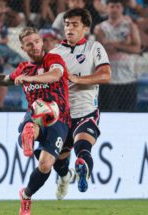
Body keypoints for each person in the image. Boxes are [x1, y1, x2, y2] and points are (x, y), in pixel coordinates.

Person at [0, 26, 71, 215]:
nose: (35, 46)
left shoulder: (53, 59)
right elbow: (4, 80)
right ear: (23, 48)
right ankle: (28, 136)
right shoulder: (23, 68)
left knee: (47, 165)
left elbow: (56, 75)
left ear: (42, 42)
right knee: (32, 121)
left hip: (59, 119)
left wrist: (30, 78)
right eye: (29, 44)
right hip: (37, 113)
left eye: (37, 42)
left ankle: (27, 194)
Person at [50, 8, 111, 198]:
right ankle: (65, 175)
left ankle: (83, 171)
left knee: (83, 147)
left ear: (85, 27)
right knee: (58, 163)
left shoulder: (94, 48)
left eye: (75, 25)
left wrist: (79, 79)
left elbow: (106, 75)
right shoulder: (54, 53)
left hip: (86, 112)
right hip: (61, 116)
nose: (69, 28)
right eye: (67, 24)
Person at [94, 0, 142, 111]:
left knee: (128, 114)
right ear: (107, 8)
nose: (114, 9)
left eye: (117, 6)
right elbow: (100, 50)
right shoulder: (100, 28)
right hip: (108, 79)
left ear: (122, 8)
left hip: (127, 77)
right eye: (112, 6)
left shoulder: (130, 26)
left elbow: (137, 49)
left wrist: (113, 45)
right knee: (108, 113)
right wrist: (124, 44)